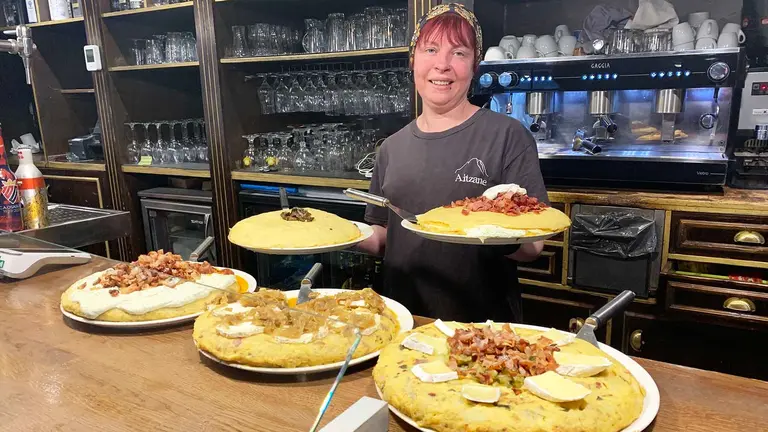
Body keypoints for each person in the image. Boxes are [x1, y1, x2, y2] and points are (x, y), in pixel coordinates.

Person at [356, 3, 549, 322]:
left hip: (480, 327)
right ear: (413, 59)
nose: (442, 65)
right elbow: (383, 237)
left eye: (459, 52)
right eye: (430, 49)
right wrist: (336, 234)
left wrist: (479, 230)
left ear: (475, 65)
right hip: (403, 319)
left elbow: (533, 246)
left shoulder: (507, 136)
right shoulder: (390, 148)